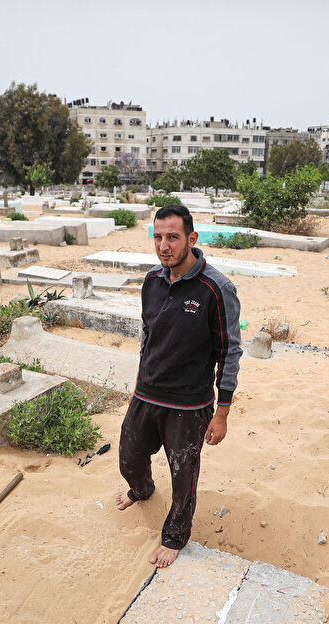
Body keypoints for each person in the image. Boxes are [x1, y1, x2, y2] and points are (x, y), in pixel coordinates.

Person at [114, 204, 242, 568]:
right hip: (147, 393)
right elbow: (147, 335)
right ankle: (142, 489)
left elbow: (229, 351)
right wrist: (140, 381)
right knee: (129, 458)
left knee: (183, 474)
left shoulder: (216, 288)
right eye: (158, 237)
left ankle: (175, 535)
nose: (164, 245)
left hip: (188, 405)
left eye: (172, 237)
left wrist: (222, 413)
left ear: (191, 238)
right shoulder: (152, 281)